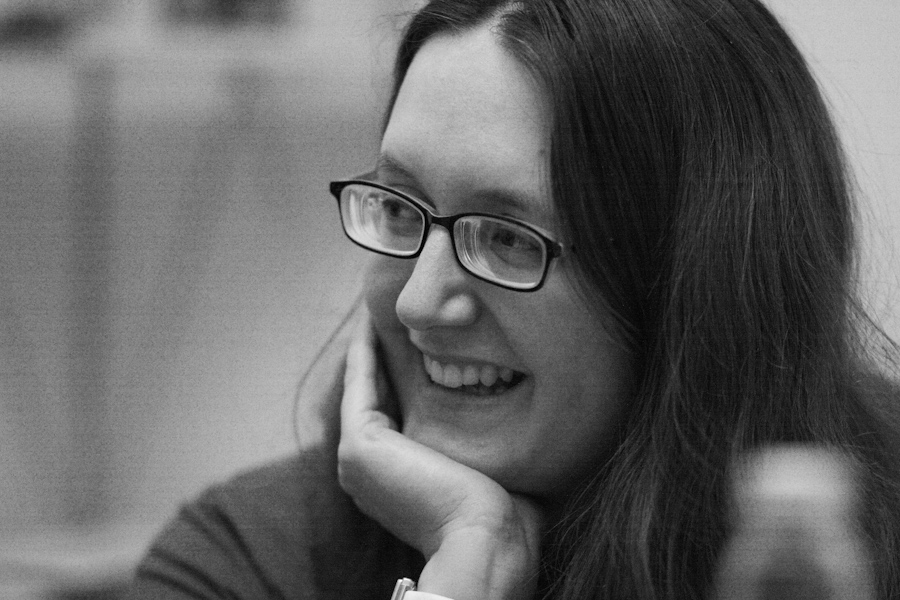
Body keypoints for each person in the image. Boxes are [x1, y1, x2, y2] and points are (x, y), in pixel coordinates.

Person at [125, 0, 900, 599]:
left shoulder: (835, 542)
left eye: (505, 237)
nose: (419, 303)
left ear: (692, 278)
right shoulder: (247, 561)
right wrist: (468, 560)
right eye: (399, 208)